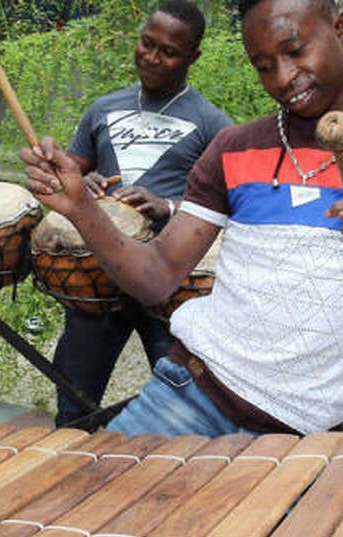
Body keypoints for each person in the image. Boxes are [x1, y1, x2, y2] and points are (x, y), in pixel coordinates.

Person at [21, 0, 343, 438]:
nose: (283, 77)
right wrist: (80, 207)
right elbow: (156, 278)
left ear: (338, 28)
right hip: (189, 395)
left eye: (295, 51)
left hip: (301, 436)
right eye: (263, 65)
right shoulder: (235, 149)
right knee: (76, 505)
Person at [50, 0, 232, 429]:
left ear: (194, 57)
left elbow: (234, 203)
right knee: (74, 405)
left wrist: (168, 206)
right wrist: (83, 183)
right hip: (98, 276)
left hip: (169, 285)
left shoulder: (211, 123)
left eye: (167, 51)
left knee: (180, 412)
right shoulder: (103, 109)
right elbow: (74, 169)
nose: (151, 57)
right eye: (146, 43)